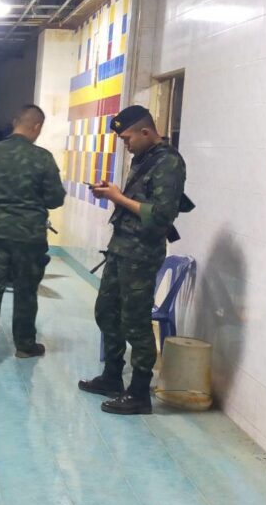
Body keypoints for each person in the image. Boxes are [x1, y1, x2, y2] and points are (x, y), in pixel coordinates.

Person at [80, 106, 188, 415]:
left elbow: (162, 215)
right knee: (106, 311)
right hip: (122, 248)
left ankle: (139, 393)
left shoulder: (169, 162)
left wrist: (118, 198)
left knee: (136, 322)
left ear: (145, 131)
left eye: (127, 138)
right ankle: (112, 376)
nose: (125, 144)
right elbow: (138, 203)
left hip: (141, 254)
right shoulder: (143, 157)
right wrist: (111, 194)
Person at [0, 106, 65, 372]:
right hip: (29, 237)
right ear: (37, 127)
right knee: (26, 291)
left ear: (15, 122)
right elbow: (55, 199)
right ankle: (25, 345)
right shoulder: (42, 158)